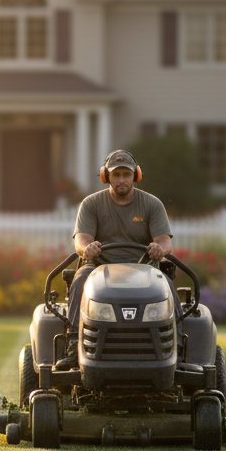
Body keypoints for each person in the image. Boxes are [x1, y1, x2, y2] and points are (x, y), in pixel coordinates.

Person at [59, 149, 174, 364]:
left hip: (145, 269)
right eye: (116, 175)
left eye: (126, 174)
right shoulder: (91, 204)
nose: (121, 180)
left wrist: (160, 248)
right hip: (98, 268)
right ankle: (74, 344)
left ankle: (177, 347)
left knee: (166, 284)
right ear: (106, 177)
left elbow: (165, 241)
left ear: (135, 176)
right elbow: (81, 240)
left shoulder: (152, 204)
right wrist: (87, 248)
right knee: (80, 279)